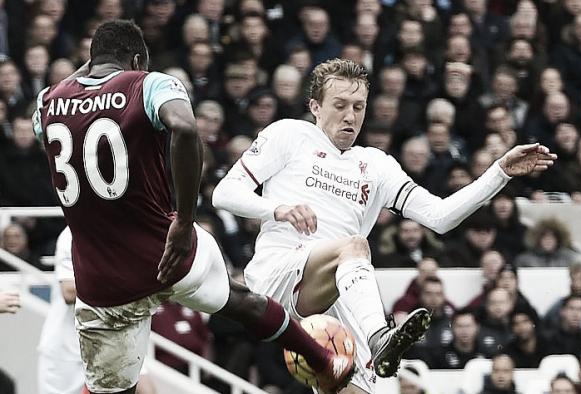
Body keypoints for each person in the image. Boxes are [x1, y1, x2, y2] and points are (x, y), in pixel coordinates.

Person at [33, 20, 352, 394]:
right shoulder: (148, 84)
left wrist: (86, 69)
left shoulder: (48, 101)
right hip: (166, 250)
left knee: (113, 390)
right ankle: (324, 360)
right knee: (240, 302)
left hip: (103, 280)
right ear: (138, 60)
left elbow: (51, 116)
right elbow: (185, 128)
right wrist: (184, 222)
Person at [212, 58, 557, 393]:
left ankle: (377, 342)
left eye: (358, 107)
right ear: (315, 106)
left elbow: (440, 217)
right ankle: (381, 337)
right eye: (340, 105)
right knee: (356, 245)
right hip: (280, 274)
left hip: (335, 299)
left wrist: (500, 172)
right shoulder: (289, 134)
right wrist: (278, 209)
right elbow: (224, 194)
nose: (350, 116)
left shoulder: (375, 165)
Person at [38, 227, 156, 394]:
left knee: (147, 391)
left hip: (115, 337)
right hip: (66, 351)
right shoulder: (72, 233)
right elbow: (69, 291)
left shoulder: (127, 233)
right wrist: (124, 283)